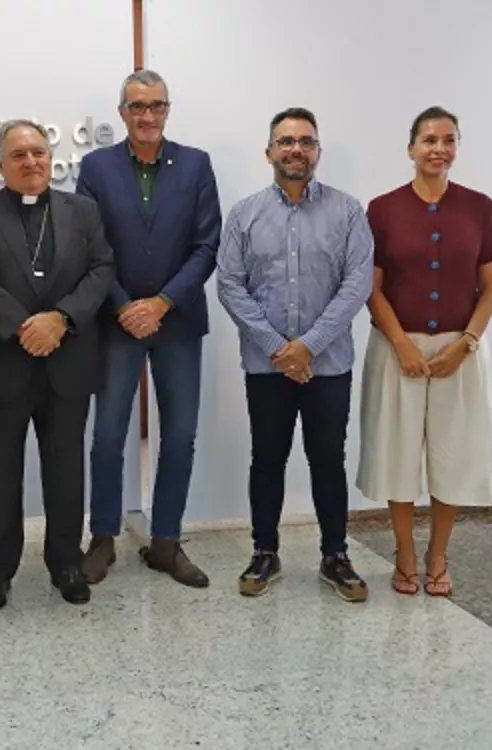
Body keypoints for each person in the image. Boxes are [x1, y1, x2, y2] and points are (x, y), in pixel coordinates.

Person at [0, 119, 115, 611]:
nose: (31, 162)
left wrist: (61, 320)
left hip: (67, 363)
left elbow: (102, 268)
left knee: (66, 472)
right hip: (0, 362)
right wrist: (27, 326)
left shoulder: (82, 211)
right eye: (19, 155)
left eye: (39, 153)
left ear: (51, 159)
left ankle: (66, 563)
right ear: (0, 163)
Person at [216, 107, 373, 603]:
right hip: (267, 367)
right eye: (286, 141)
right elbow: (228, 284)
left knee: (328, 459)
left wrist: (308, 346)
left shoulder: (348, 212)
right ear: (269, 153)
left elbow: (356, 285)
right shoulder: (244, 214)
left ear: (317, 153)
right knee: (267, 459)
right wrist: (278, 349)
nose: (296, 150)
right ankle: (265, 551)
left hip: (328, 366)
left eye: (306, 141)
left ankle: (335, 555)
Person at [76, 69, 221, 587]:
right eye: (137, 106)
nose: (147, 115)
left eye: (156, 106)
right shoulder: (96, 168)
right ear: (122, 113)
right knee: (109, 434)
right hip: (115, 323)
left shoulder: (197, 165)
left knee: (179, 435)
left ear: (167, 109)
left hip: (177, 321)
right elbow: (92, 246)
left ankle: (165, 541)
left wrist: (160, 303)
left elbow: (207, 246)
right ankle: (103, 538)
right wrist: (124, 307)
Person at [357, 107, 492, 598]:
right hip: (397, 350)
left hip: (460, 352)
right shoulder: (382, 209)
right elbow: (371, 288)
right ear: (411, 148)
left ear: (456, 147)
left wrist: (466, 345)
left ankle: (438, 554)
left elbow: (490, 289)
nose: (438, 148)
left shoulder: (480, 208)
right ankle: (403, 552)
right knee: (397, 455)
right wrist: (400, 345)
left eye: (448, 139)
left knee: (453, 456)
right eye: (428, 139)